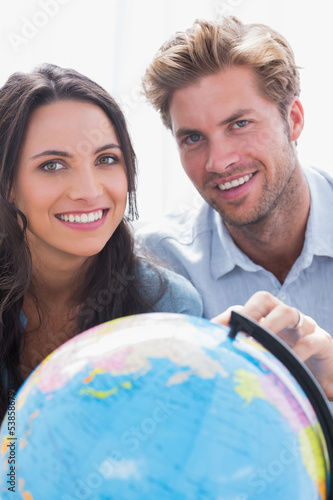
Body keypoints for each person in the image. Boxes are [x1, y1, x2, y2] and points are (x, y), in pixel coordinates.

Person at [0, 63, 203, 421]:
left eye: (106, 159)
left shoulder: (168, 306)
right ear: (8, 187)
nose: (90, 192)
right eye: (52, 165)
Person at [137, 15, 333, 334]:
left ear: (293, 120)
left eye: (239, 124)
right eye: (193, 138)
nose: (219, 162)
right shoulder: (156, 264)